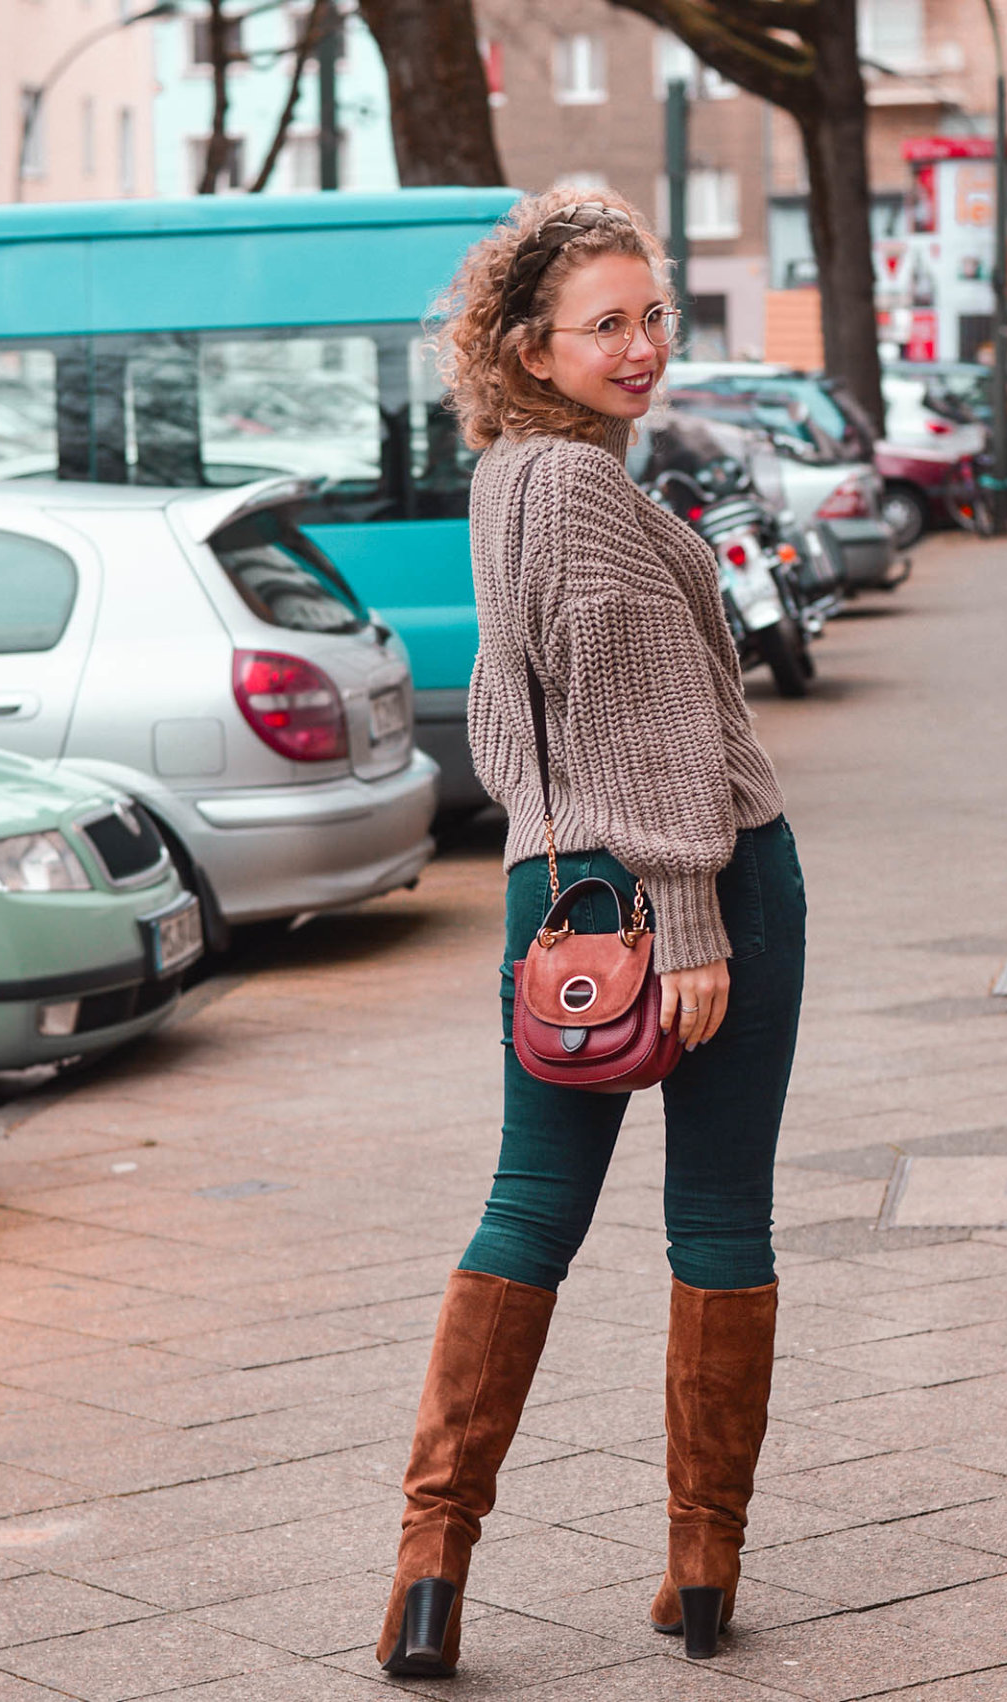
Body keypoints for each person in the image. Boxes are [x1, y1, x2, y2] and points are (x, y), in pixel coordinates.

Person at [375, 188, 807, 1676]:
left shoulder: (507, 478)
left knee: (526, 1207)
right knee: (719, 1216)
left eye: (653, 316)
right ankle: (701, 1573)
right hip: (689, 886)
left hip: (553, 888)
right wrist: (691, 912)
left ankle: (428, 1575)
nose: (641, 347)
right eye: (605, 325)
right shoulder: (575, 488)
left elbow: (516, 719)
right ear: (526, 346)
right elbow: (649, 717)